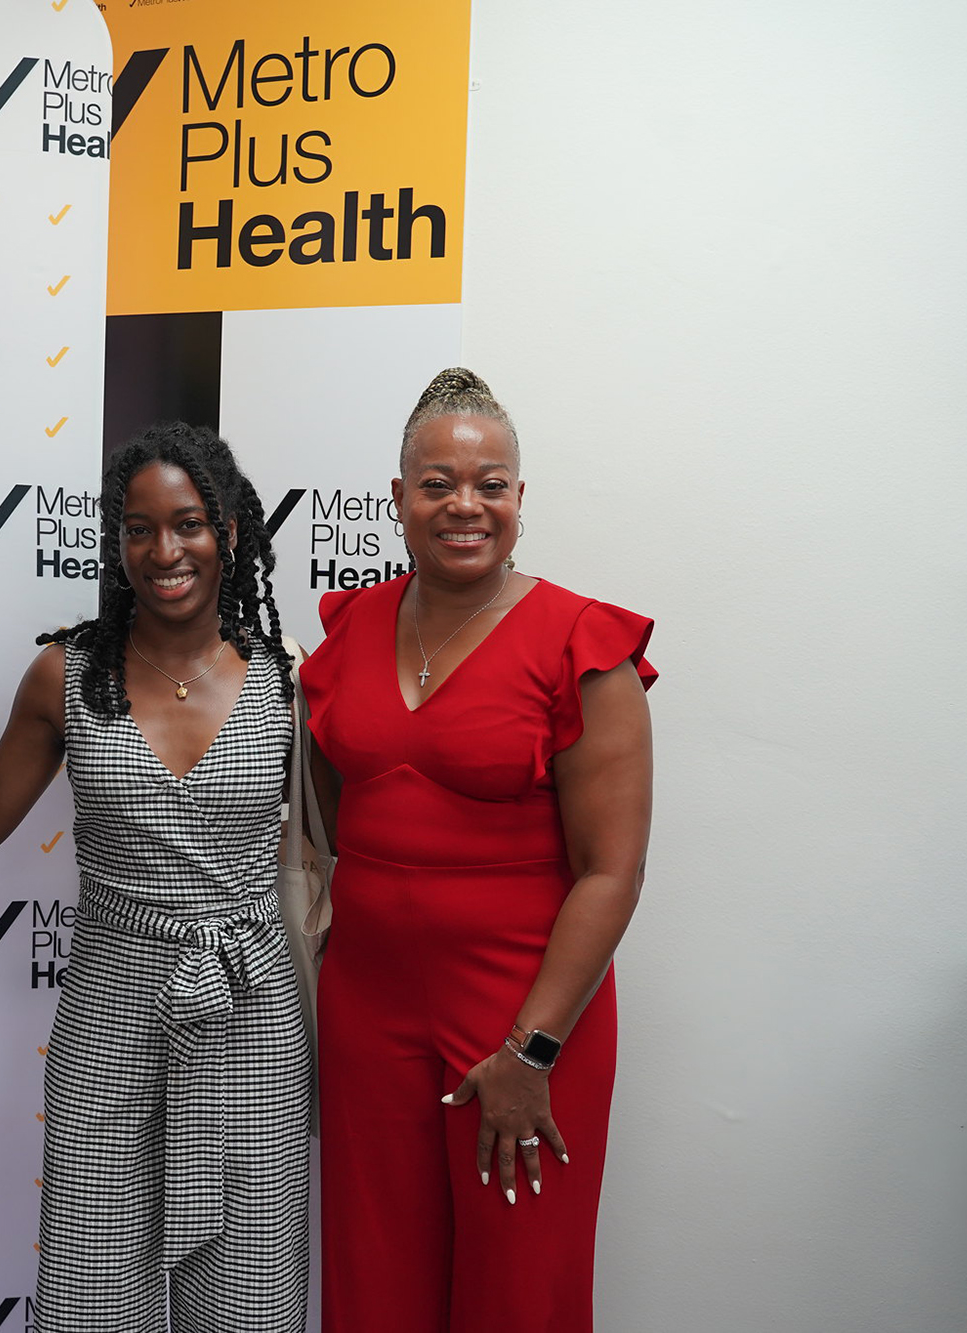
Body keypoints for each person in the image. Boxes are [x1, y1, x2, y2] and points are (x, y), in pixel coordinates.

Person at [301, 368, 656, 1333]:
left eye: (490, 483)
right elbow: (332, 827)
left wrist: (531, 1047)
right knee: (375, 1285)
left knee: (517, 1292)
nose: (465, 505)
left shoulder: (584, 644)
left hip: (525, 1014)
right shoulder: (350, 632)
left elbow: (611, 873)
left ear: (519, 499)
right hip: (367, 1012)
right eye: (437, 483)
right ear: (399, 498)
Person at [0, 423, 310, 1333]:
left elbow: (346, 847)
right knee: (90, 1292)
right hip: (110, 1011)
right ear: (116, 543)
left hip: (251, 1012)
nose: (165, 551)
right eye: (139, 528)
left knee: (248, 1296)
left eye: (188, 523)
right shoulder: (64, 674)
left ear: (229, 530)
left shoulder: (288, 683)